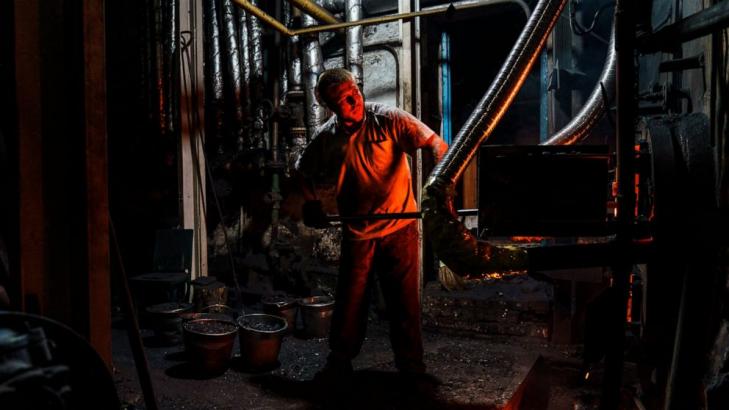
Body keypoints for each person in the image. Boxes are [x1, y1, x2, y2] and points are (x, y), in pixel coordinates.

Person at [295, 68, 448, 389]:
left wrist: (440, 187)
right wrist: (311, 204)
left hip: (400, 228)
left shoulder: (388, 119)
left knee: (404, 302)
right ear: (329, 106)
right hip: (358, 234)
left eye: (355, 93)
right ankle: (339, 360)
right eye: (343, 100)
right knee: (350, 302)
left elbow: (436, 144)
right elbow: (301, 170)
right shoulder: (327, 137)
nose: (354, 101)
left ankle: (412, 369)